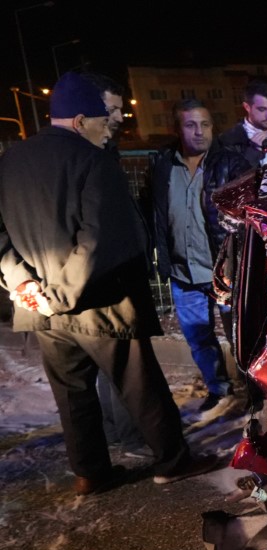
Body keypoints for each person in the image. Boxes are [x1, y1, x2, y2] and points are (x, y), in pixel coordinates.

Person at [0, 72, 215, 496]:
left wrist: (23, 283)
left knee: (72, 395)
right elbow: (100, 240)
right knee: (141, 385)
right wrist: (60, 295)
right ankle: (172, 461)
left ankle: (90, 473)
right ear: (80, 121)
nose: (110, 126)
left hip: (39, 308)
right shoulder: (94, 161)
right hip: (100, 303)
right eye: (104, 119)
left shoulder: (9, 161)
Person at [149, 99, 248, 417]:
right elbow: (155, 213)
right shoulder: (163, 164)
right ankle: (219, 390)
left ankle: (252, 392)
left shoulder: (231, 164)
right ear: (177, 128)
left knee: (242, 337)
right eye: (191, 125)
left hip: (226, 274)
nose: (199, 131)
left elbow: (249, 214)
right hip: (183, 274)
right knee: (198, 339)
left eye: (205, 124)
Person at [86, 74, 151, 457]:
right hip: (103, 273)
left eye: (119, 108)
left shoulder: (104, 149)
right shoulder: (89, 155)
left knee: (110, 362)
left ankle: (117, 431)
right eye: (109, 108)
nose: (117, 116)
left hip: (109, 269)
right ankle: (129, 435)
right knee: (119, 361)